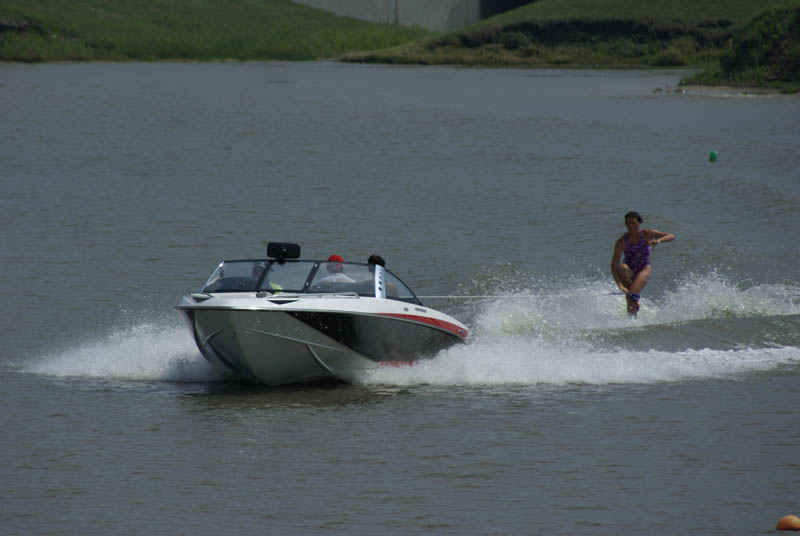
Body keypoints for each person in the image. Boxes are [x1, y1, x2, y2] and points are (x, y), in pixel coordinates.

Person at [611, 211, 675, 315]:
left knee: (631, 295)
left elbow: (671, 236)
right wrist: (619, 285)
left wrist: (658, 241)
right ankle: (631, 318)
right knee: (630, 296)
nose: (630, 226)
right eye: (627, 223)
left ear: (639, 223)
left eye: (633, 223)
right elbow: (614, 264)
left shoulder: (647, 234)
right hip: (628, 271)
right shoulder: (622, 241)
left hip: (644, 268)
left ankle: (633, 316)